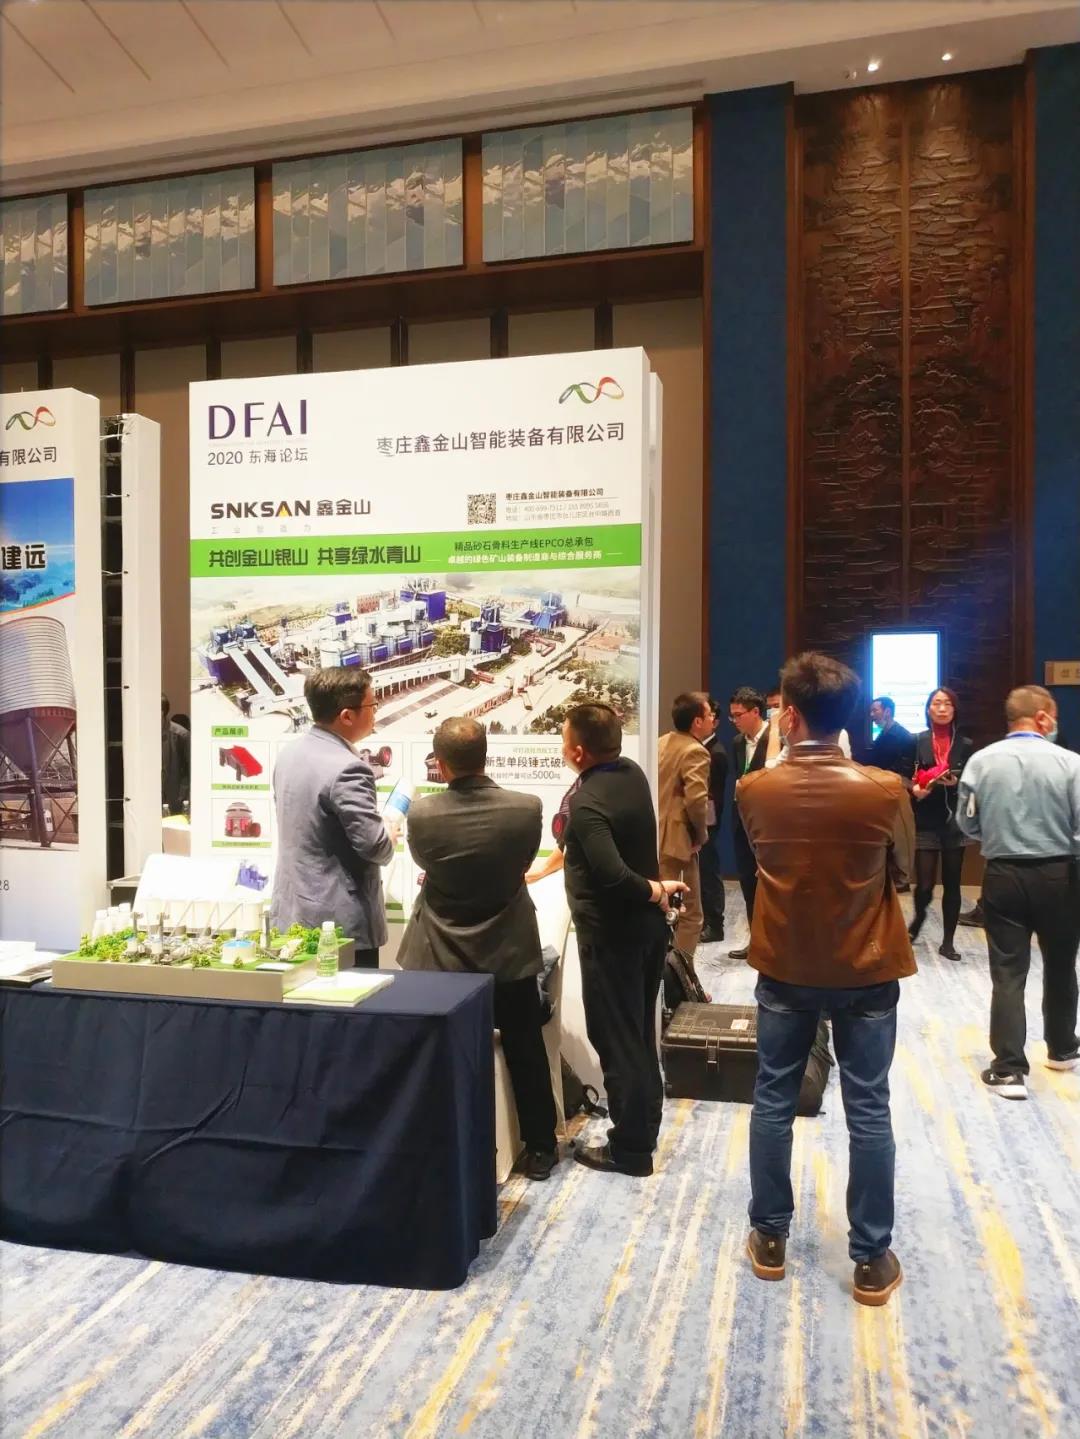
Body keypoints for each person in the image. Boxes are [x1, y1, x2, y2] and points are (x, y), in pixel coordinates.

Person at [736, 651, 915, 1307]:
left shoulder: (754, 789)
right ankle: (871, 1258)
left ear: (788, 714)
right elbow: (901, 869)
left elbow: (762, 857)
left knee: (774, 1097)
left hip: (785, 963)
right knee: (869, 1106)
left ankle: (769, 1237)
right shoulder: (884, 788)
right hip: (866, 966)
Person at [399, 718, 558, 1178]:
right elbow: (521, 864)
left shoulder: (422, 814)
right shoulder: (527, 808)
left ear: (441, 764)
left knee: (433, 1048)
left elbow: (428, 864)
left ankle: (437, 1138)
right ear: (486, 755)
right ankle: (541, 1147)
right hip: (508, 951)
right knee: (525, 1046)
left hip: (439, 954)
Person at [560, 702, 686, 1176]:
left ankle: (630, 1149)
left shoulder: (587, 802)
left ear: (577, 751)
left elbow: (611, 874)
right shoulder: (631, 773)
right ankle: (643, 1130)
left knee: (617, 1041)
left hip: (613, 938)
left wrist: (655, 890)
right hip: (644, 934)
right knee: (636, 1036)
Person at [956, 685, 1080, 1100]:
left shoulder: (980, 761)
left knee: (1008, 970)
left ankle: (1009, 1069)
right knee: (1061, 964)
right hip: (1060, 875)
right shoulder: (1071, 763)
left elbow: (966, 823)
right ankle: (1062, 1049)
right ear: (1043, 717)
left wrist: (998, 835)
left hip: (1003, 874)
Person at [270, 666, 394, 967]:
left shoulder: (289, 754)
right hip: (339, 929)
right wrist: (390, 832)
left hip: (293, 914)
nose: (375, 712)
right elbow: (375, 846)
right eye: (373, 705)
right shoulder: (349, 768)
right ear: (347, 716)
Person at [908, 687, 973, 961]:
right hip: (925, 818)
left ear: (955, 710)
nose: (942, 708)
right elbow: (905, 775)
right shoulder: (917, 740)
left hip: (954, 821)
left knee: (952, 882)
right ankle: (917, 921)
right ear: (928, 709)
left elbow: (973, 781)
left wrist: (958, 782)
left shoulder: (966, 744)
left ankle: (948, 942)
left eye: (948, 704)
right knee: (924, 884)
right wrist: (914, 789)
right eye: (937, 703)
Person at [657, 692, 714, 956]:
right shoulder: (696, 751)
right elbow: (696, 801)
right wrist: (701, 835)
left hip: (654, 836)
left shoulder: (661, 742)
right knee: (690, 915)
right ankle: (681, 976)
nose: (713, 718)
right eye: (709, 714)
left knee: (660, 905)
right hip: (678, 842)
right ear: (697, 722)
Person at [728, 687, 770, 959]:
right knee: (747, 882)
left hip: (768, 823)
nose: (735, 721)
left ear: (756, 712)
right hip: (741, 821)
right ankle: (756, 941)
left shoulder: (776, 739)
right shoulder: (736, 743)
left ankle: (773, 942)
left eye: (738, 715)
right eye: (732, 716)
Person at [699, 701, 729, 943]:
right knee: (700, 872)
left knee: (709, 872)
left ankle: (715, 924)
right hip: (700, 819)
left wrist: (705, 825)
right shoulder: (699, 748)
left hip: (708, 820)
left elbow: (713, 795)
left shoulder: (716, 752)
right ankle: (704, 920)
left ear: (715, 722)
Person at [867, 697, 916, 783]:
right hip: (879, 782)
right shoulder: (882, 735)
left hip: (893, 786)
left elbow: (904, 771)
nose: (871, 714)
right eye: (871, 711)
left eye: (875, 710)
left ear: (887, 712)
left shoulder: (904, 737)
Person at [161, 695, 190, 816]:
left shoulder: (181, 735)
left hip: (174, 797)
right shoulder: (142, 733)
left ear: (162, 712)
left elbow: (189, 769)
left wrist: (182, 795)